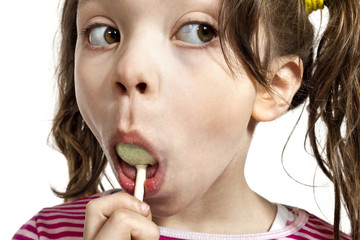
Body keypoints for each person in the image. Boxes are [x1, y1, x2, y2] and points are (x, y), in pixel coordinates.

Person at [13, 0, 359, 239]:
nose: (130, 68)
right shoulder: (46, 234)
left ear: (273, 84)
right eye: (105, 33)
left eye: (198, 32)